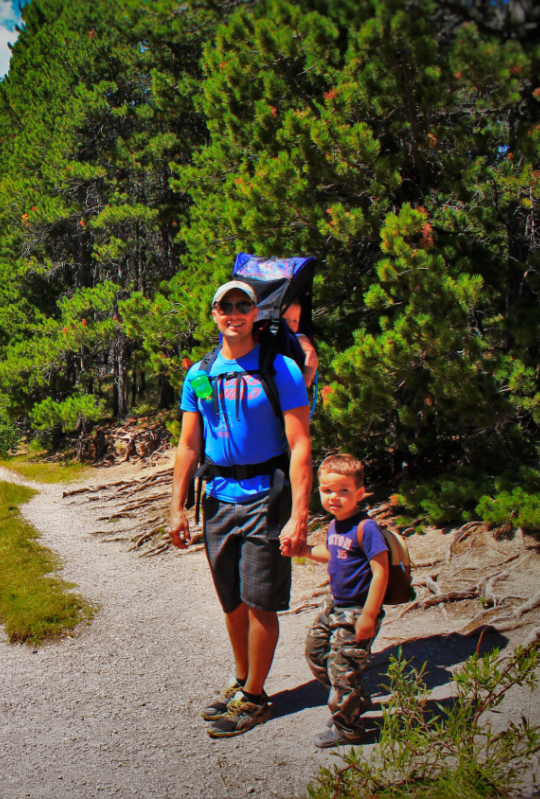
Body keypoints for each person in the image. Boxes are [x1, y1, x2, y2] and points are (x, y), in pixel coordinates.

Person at [169, 280, 312, 738]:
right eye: (224, 306)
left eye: (242, 304)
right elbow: (189, 445)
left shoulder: (280, 368)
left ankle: (254, 698)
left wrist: (299, 514)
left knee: (259, 603)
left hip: (266, 498)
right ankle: (242, 679)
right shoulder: (200, 374)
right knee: (231, 600)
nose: (233, 312)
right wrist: (175, 508)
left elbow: (300, 445)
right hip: (217, 500)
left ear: (255, 312)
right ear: (213, 314)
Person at [294, 453, 389, 747]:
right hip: (335, 605)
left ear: (360, 493)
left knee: (343, 670)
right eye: (327, 490)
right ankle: (355, 700)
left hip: (358, 609)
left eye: (343, 491)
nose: (334, 497)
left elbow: (381, 571)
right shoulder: (336, 524)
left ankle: (348, 728)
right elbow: (332, 553)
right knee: (316, 651)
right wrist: (304, 550)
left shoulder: (366, 528)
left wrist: (369, 616)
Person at [281, 302, 318, 387]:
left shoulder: (298, 337)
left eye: (295, 320)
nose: (291, 323)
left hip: (294, 381)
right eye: (285, 319)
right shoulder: (268, 335)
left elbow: (311, 353)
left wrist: (307, 376)